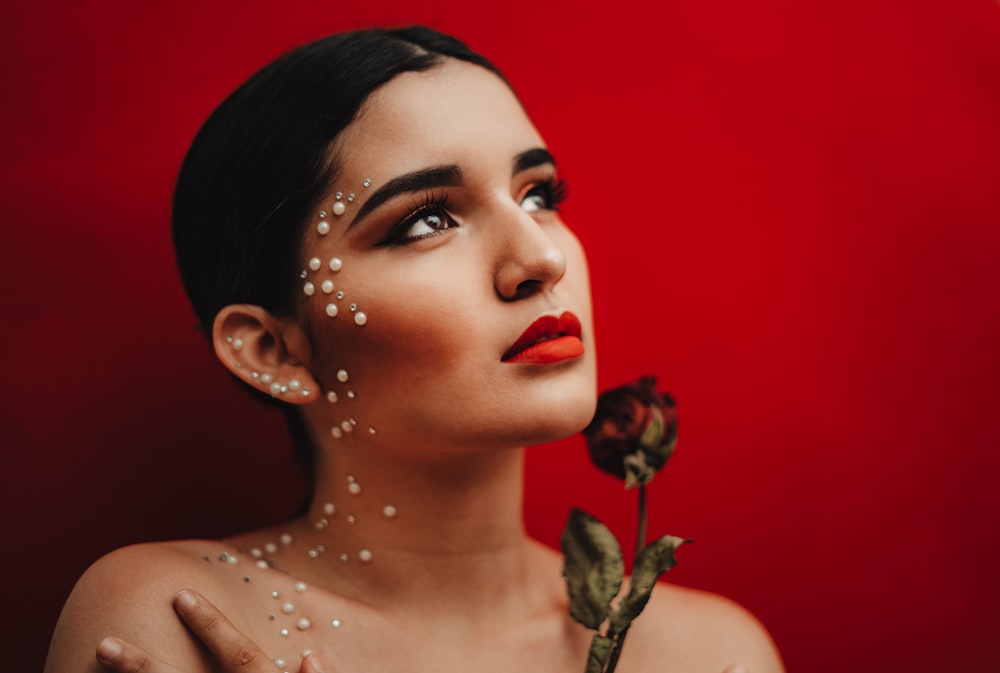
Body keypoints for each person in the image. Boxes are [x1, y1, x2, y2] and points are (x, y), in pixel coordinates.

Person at [43, 27, 784, 673]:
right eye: (427, 220)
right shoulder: (173, 615)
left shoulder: (704, 650)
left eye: (538, 195)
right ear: (273, 349)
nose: (540, 257)